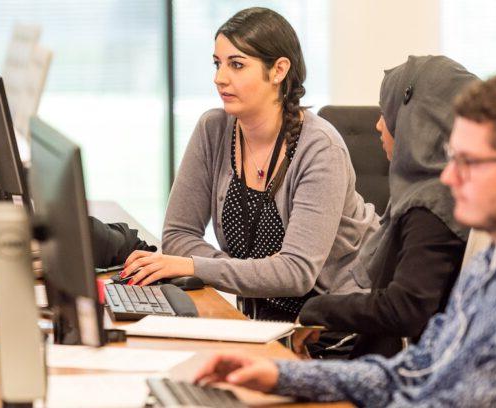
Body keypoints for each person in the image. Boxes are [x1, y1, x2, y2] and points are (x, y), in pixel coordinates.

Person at [194, 72, 496, 406]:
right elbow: (414, 370)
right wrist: (282, 375)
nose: (449, 175)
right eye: (452, 157)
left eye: (469, 161)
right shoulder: (489, 267)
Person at [121, 7, 378, 321]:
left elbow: (296, 273)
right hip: (261, 321)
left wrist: (195, 265)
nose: (220, 78)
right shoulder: (213, 130)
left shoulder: (319, 148)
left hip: (333, 328)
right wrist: (242, 272)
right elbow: (178, 235)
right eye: (218, 64)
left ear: (279, 70)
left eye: (237, 65)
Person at [294, 56, 477, 359]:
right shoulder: (432, 193)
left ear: (416, 119)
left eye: (386, 112)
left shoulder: (432, 205)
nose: (378, 125)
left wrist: (318, 309)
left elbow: (406, 309)